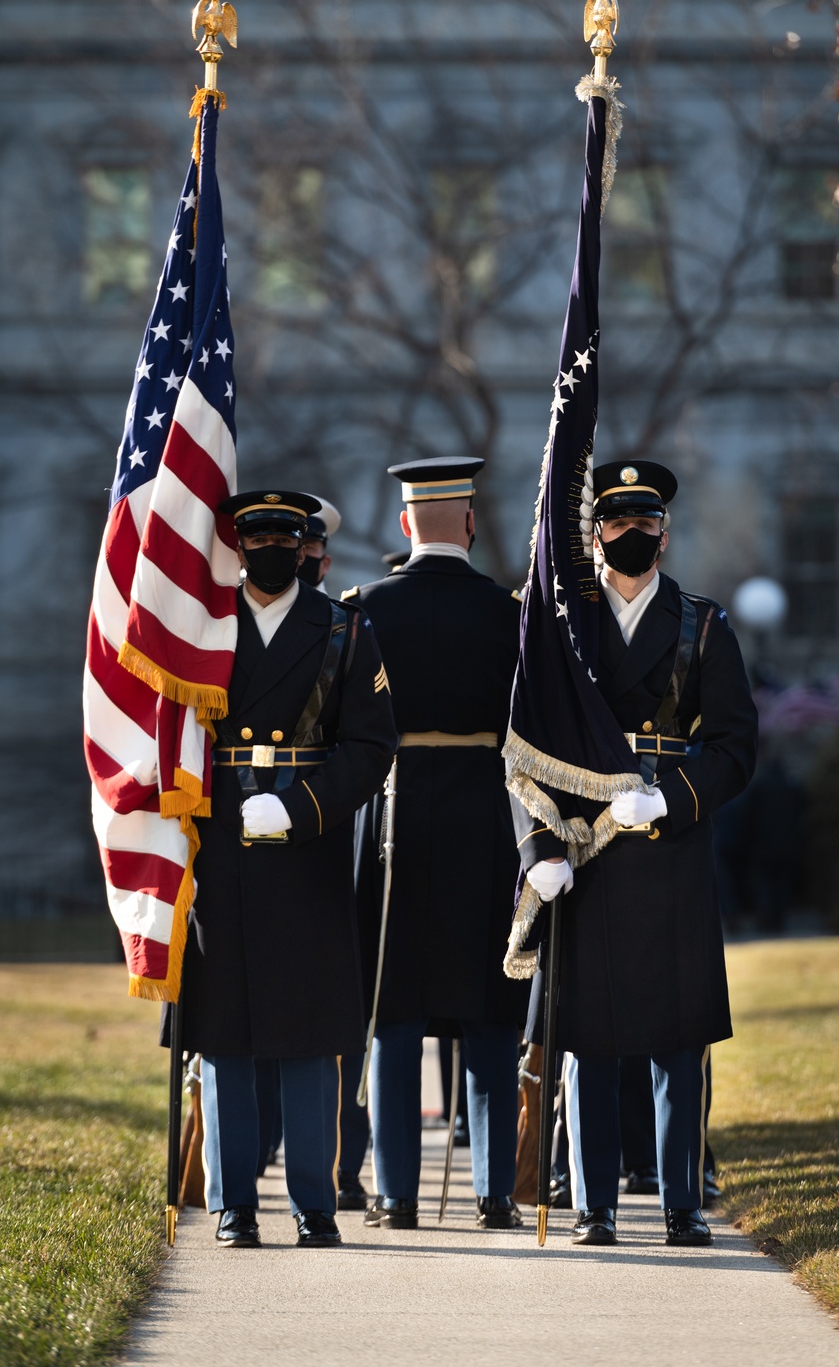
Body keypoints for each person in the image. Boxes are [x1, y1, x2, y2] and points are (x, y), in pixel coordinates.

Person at [512, 459, 757, 1247]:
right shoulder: (562, 632)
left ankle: (682, 1201)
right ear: (592, 534)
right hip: (586, 855)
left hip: (668, 849)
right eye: (615, 523)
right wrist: (541, 847)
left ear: (665, 530)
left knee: (676, 1040)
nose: (631, 535)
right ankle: (594, 1206)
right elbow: (524, 752)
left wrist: (673, 796)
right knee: (585, 1039)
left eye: (645, 523)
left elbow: (735, 746)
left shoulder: (703, 626)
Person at [175, 489, 396, 1249]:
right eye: (256, 536)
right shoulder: (201, 628)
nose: (270, 549)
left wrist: (301, 807)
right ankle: (234, 1201)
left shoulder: (344, 628)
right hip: (221, 847)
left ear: (304, 544)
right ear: (238, 545)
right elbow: (168, 728)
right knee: (225, 1033)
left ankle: (314, 1203)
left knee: (308, 1035)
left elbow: (371, 747)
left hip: (306, 850)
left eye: (284, 537)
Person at [347, 456, 529, 1230]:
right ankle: (493, 1195)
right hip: (484, 820)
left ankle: (396, 1195)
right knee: (490, 1015)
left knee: (394, 1017)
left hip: (396, 817)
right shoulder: (507, 612)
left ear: (403, 525)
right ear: (471, 522)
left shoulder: (361, 609)